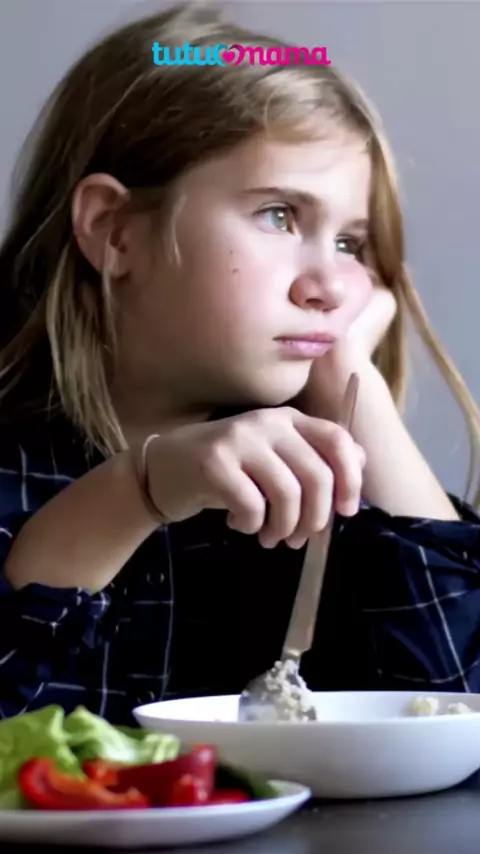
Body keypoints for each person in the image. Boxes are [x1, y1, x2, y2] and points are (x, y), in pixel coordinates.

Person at [0, 1, 479, 727]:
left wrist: (355, 387)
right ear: (115, 232)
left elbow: (456, 716)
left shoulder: (326, 498)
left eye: (349, 244)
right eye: (279, 215)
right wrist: (139, 490)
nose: (330, 286)